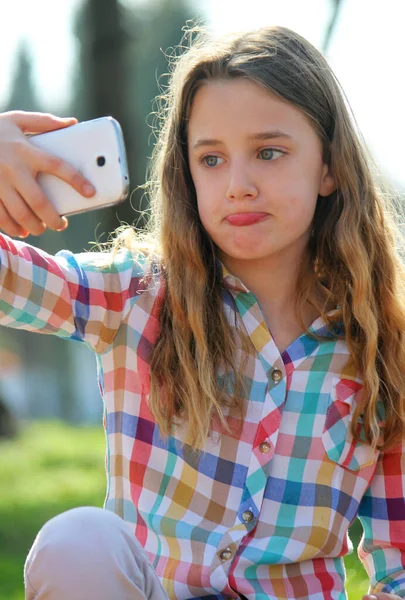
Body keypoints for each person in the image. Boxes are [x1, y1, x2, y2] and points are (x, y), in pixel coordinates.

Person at [0, 24, 404, 600]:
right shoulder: (136, 297)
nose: (237, 184)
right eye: (211, 159)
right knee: (78, 542)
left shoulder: (381, 349)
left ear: (329, 166)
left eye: (269, 152)